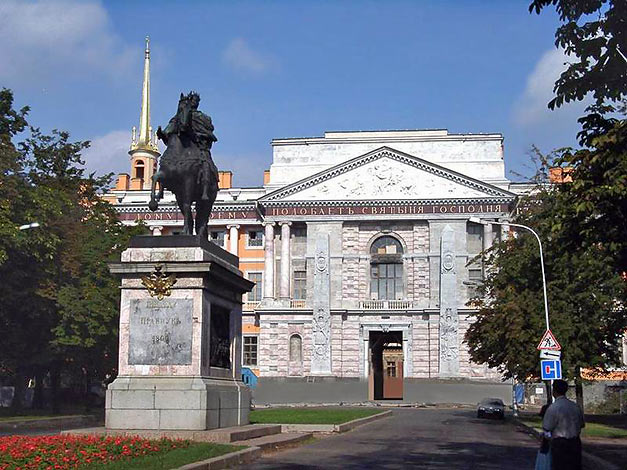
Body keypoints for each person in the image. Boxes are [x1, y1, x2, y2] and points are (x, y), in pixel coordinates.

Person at [542, 379, 585, 470]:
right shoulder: (575, 406)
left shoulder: (553, 408)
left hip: (560, 444)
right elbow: (581, 424)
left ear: (554, 391)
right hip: (575, 443)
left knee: (560, 466)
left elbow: (547, 427)